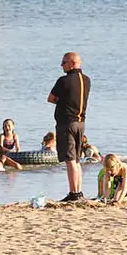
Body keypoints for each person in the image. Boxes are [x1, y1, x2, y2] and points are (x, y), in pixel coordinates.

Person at [47, 51, 91, 202]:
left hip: (67, 123)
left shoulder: (63, 81)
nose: (61, 65)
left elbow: (51, 98)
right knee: (77, 159)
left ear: (72, 63)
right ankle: (78, 192)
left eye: (64, 62)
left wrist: (61, 101)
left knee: (70, 160)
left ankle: (73, 193)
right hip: (81, 123)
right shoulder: (86, 80)